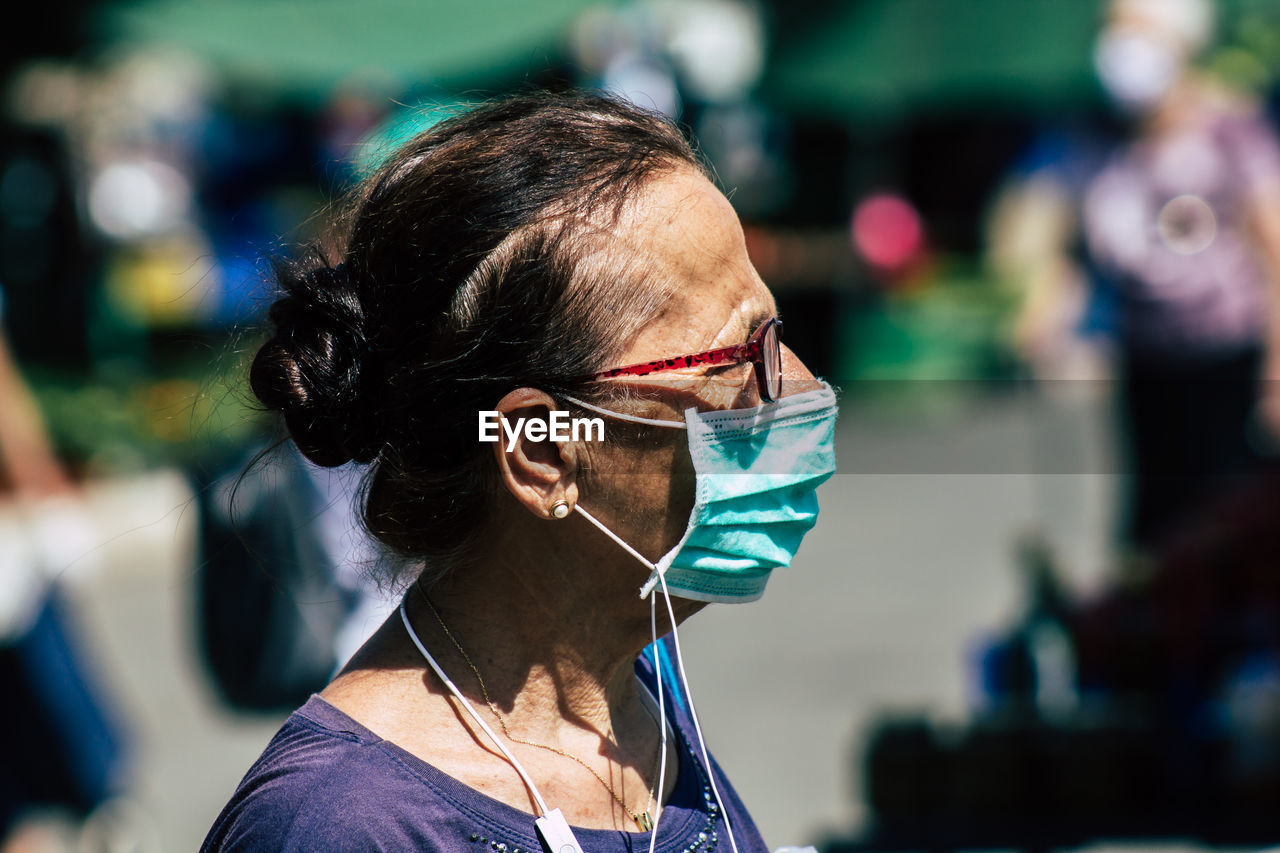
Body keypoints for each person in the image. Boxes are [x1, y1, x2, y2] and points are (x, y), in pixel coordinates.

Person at [200, 91, 837, 851]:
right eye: (742, 358)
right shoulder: (342, 827)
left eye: (781, 332)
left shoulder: (635, 698)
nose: (797, 385)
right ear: (542, 449)